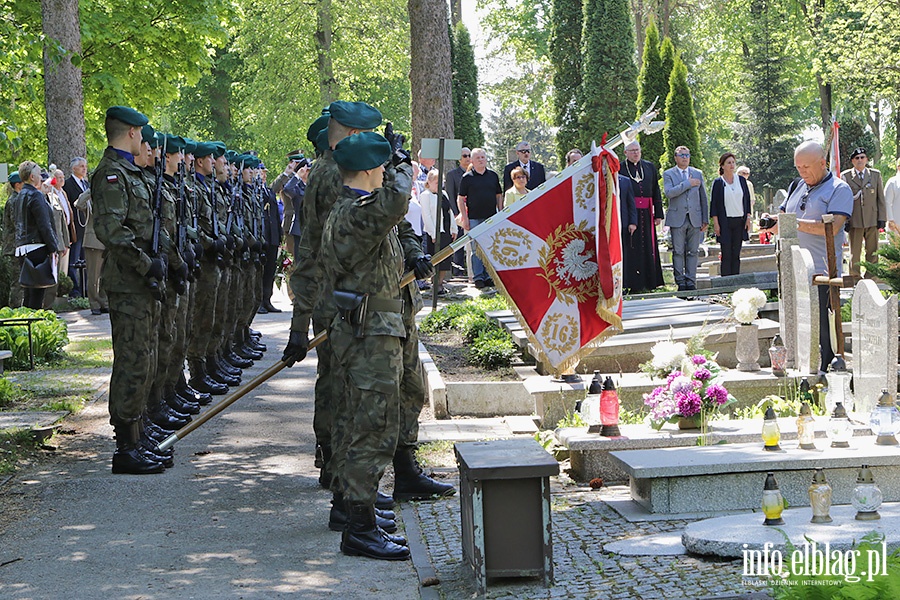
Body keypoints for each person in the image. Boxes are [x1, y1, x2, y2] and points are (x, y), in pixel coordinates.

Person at [318, 131, 419, 561]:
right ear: (366, 171)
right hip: (369, 333)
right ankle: (359, 528)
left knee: (370, 426)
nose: (385, 174)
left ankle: (362, 519)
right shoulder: (355, 214)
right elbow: (397, 199)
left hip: (374, 329)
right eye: (380, 167)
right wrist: (402, 164)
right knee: (371, 431)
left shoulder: (356, 212)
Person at [90, 106, 173, 475]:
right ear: (130, 133)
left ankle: (138, 434)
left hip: (142, 284)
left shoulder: (133, 173)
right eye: (140, 133)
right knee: (131, 361)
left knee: (146, 357)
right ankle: (125, 446)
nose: (144, 139)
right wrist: (145, 264)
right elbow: (113, 232)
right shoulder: (110, 174)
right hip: (128, 284)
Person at [765, 141, 853, 374]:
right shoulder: (797, 185)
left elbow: (833, 226)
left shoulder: (839, 188)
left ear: (822, 163)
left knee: (822, 329)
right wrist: (773, 224)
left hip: (821, 271)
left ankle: (824, 371)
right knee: (798, 328)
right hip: (792, 268)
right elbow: (783, 218)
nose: (802, 172)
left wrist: (792, 223)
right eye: (798, 167)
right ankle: (801, 366)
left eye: (806, 167)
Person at [14, 161, 59, 310]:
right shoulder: (35, 196)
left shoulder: (20, 195)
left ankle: (27, 326)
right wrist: (54, 248)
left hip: (22, 247)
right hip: (37, 246)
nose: (41, 177)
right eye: (39, 174)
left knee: (28, 292)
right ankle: (35, 326)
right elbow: (44, 225)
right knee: (38, 293)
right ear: (32, 177)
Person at [663, 145, 708, 291]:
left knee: (693, 251)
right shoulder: (669, 173)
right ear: (675, 157)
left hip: (695, 217)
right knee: (678, 251)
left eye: (687, 155)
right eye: (681, 155)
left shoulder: (697, 173)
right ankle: (680, 281)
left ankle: (691, 280)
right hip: (677, 218)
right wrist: (687, 184)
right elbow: (669, 193)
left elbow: (703, 198)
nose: (684, 158)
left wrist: (705, 219)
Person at [621, 141, 665, 292]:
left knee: (648, 246)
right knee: (632, 246)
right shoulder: (620, 168)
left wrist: (658, 213)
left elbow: (655, 190)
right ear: (625, 153)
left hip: (646, 213)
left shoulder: (649, 166)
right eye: (632, 150)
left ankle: (650, 282)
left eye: (637, 150)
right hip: (628, 213)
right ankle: (633, 283)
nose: (635, 153)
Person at [457, 147, 502, 289]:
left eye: (483, 157)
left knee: (489, 247)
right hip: (474, 218)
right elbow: (460, 199)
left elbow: (498, 195)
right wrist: (465, 218)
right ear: (472, 160)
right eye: (478, 158)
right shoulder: (467, 178)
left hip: (491, 218)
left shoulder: (493, 176)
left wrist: (500, 212)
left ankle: (488, 276)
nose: (481, 160)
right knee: (476, 249)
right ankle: (478, 277)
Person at [841, 147, 886, 278]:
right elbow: (844, 200)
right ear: (852, 161)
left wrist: (882, 218)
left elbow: (880, 198)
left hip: (872, 218)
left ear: (866, 159)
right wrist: (846, 220)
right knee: (855, 251)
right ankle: (854, 276)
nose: (860, 160)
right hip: (855, 220)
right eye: (857, 158)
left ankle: (872, 276)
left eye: (862, 157)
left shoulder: (875, 175)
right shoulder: (846, 176)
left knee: (873, 250)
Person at [709, 152, 752, 276]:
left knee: (736, 253)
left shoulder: (742, 181)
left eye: (733, 162)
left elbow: (747, 200)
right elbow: (715, 205)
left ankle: (735, 280)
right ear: (722, 166)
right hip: (725, 222)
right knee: (726, 252)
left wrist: (748, 218)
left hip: (739, 221)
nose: (732, 165)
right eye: (729, 163)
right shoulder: (718, 182)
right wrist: (716, 224)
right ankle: (726, 280)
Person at [420, 168, 458, 295]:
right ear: (429, 182)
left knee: (445, 260)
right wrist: (433, 233)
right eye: (436, 182)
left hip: (446, 230)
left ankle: (440, 283)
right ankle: (434, 284)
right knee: (435, 259)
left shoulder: (444, 194)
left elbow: (450, 212)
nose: (439, 185)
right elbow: (426, 215)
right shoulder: (425, 195)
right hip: (434, 232)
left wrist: (454, 228)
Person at [64, 157, 89, 295]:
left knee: (86, 261)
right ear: (74, 168)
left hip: (86, 228)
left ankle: (86, 289)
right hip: (75, 229)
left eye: (85, 166)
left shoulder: (86, 185)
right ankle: (75, 290)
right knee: (73, 261)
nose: (84, 169)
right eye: (81, 166)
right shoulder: (67, 184)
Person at [444, 147, 471, 279]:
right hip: (458, 214)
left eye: (469, 155)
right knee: (459, 242)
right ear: (459, 159)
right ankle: (458, 269)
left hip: (472, 212)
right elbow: (450, 194)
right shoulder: (452, 175)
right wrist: (456, 213)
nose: (467, 158)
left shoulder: (474, 173)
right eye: (465, 156)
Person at [2, 171, 25, 307]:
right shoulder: (15, 200)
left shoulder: (16, 199)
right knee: (17, 282)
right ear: (18, 185)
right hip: (14, 248)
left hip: (15, 247)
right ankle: (15, 311)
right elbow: (18, 224)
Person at [885, 158, 900, 234]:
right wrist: (890, 220)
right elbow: (887, 202)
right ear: (898, 167)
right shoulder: (892, 182)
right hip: (895, 225)